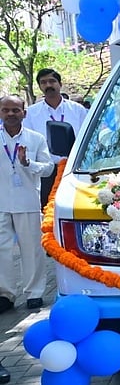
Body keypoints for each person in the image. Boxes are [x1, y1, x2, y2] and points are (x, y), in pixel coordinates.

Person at [0, 95, 55, 312]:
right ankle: (5, 294)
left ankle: (34, 293)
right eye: (6, 110)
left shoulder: (35, 138)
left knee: (31, 249)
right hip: (2, 202)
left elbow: (49, 167)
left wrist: (27, 163)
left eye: (15, 110)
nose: (11, 114)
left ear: (25, 112)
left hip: (28, 200)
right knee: (2, 251)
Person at [23, 68, 87, 208]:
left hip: (73, 167)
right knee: (48, 208)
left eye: (52, 81)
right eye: (43, 82)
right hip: (47, 170)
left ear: (60, 84)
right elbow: (28, 142)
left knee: (74, 206)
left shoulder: (78, 110)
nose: (48, 85)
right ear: (40, 86)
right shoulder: (31, 113)